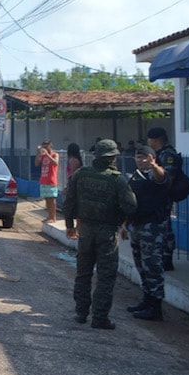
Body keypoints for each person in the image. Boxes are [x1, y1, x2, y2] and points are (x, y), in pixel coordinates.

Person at [64, 139, 137, 330]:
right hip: (107, 233)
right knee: (105, 276)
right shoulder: (117, 180)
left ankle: (81, 313)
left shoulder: (81, 174)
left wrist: (70, 225)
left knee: (83, 273)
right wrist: (118, 220)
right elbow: (131, 206)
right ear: (113, 158)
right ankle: (99, 317)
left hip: (86, 231)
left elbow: (69, 201)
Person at [125, 145, 172, 321]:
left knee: (152, 265)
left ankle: (156, 306)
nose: (141, 160)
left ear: (152, 158)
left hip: (152, 227)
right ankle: (147, 299)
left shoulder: (157, 173)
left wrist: (153, 165)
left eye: (145, 157)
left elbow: (162, 179)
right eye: (138, 157)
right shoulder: (136, 176)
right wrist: (125, 224)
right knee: (140, 265)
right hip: (137, 225)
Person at [145, 127, 181, 270]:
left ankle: (167, 256)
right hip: (157, 196)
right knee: (160, 226)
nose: (148, 142)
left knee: (165, 226)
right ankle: (161, 255)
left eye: (149, 139)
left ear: (156, 140)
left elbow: (168, 178)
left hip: (163, 197)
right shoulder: (160, 154)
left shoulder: (168, 155)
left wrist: (159, 194)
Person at [35, 140, 60, 223]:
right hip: (44, 180)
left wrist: (47, 154)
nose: (45, 148)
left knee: (52, 199)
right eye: (43, 147)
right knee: (46, 199)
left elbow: (56, 163)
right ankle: (49, 216)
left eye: (46, 146)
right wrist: (38, 153)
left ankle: (53, 217)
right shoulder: (43, 156)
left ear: (50, 146)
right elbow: (36, 164)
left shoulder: (55, 154)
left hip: (51, 180)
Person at [64, 143, 84, 240]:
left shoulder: (73, 160)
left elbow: (72, 174)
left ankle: (75, 231)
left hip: (73, 185)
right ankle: (77, 231)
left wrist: (68, 187)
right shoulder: (78, 160)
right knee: (78, 212)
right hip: (76, 185)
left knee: (72, 209)